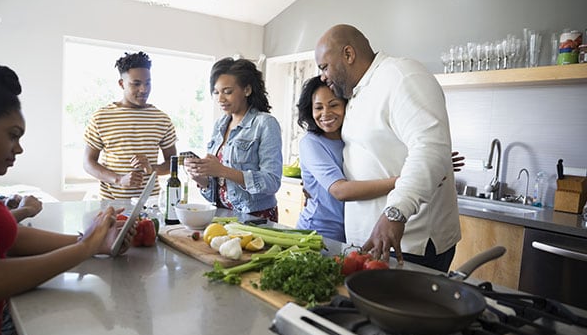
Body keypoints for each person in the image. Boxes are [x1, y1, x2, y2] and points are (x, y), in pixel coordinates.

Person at [0, 64, 135, 335]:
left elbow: (14, 238)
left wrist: (93, 242)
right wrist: (84, 248)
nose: (18, 148)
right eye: (12, 135)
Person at [315, 24, 461, 271]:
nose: (322, 76)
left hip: (408, 243)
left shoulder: (402, 76)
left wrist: (395, 213)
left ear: (348, 55)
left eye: (324, 67)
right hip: (373, 244)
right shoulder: (357, 93)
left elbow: (430, 148)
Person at [296, 75, 465, 243]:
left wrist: (434, 162)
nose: (325, 113)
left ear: (346, 106)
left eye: (334, 105)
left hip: (348, 232)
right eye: (318, 108)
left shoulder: (351, 138)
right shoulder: (311, 143)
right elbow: (341, 191)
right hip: (318, 230)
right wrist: (408, 180)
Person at [184, 58, 282, 222]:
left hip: (256, 217)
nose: (220, 99)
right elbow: (217, 188)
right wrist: (200, 177)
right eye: (216, 92)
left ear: (247, 90)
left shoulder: (265, 123)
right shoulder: (220, 125)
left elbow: (271, 181)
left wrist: (221, 170)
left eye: (227, 92)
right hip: (224, 215)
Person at [83, 51, 177, 199]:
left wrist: (152, 168)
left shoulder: (162, 119)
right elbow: (88, 163)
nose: (144, 89)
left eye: (148, 83)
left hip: (150, 204)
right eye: (136, 84)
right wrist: (119, 179)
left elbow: (173, 163)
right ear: (122, 84)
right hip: (111, 205)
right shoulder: (101, 117)